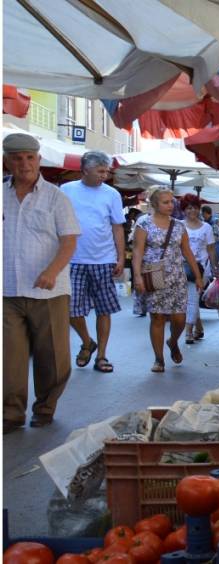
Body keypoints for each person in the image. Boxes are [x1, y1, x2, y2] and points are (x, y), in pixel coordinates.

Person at [3, 134, 80, 433]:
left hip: (49, 291)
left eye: (29, 157)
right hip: (7, 290)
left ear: (38, 160)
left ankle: (46, 406)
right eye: (17, 158)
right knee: (9, 359)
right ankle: (11, 414)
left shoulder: (56, 197)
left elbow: (69, 241)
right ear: (7, 161)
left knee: (54, 359)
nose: (24, 164)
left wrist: (52, 270)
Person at [60, 151, 125, 373]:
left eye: (106, 171)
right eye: (100, 171)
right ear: (85, 169)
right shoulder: (66, 190)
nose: (104, 175)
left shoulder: (112, 194)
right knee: (71, 310)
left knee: (103, 310)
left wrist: (119, 257)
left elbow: (117, 227)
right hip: (73, 258)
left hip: (104, 259)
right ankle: (87, 342)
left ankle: (102, 356)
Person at [132, 189, 204, 373]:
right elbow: (138, 251)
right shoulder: (144, 223)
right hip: (154, 273)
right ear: (155, 204)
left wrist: (197, 276)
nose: (170, 205)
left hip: (176, 277)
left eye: (171, 201)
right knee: (157, 317)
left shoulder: (179, 226)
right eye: (165, 202)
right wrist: (137, 276)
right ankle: (159, 359)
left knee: (179, 318)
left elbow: (187, 251)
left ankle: (172, 341)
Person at [181, 195, 219, 345]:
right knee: (190, 300)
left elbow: (211, 249)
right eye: (189, 207)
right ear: (184, 209)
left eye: (195, 207)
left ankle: (188, 331)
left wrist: (216, 268)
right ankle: (199, 328)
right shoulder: (179, 225)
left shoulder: (207, 227)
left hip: (201, 269)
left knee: (192, 299)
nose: (192, 210)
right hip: (181, 267)